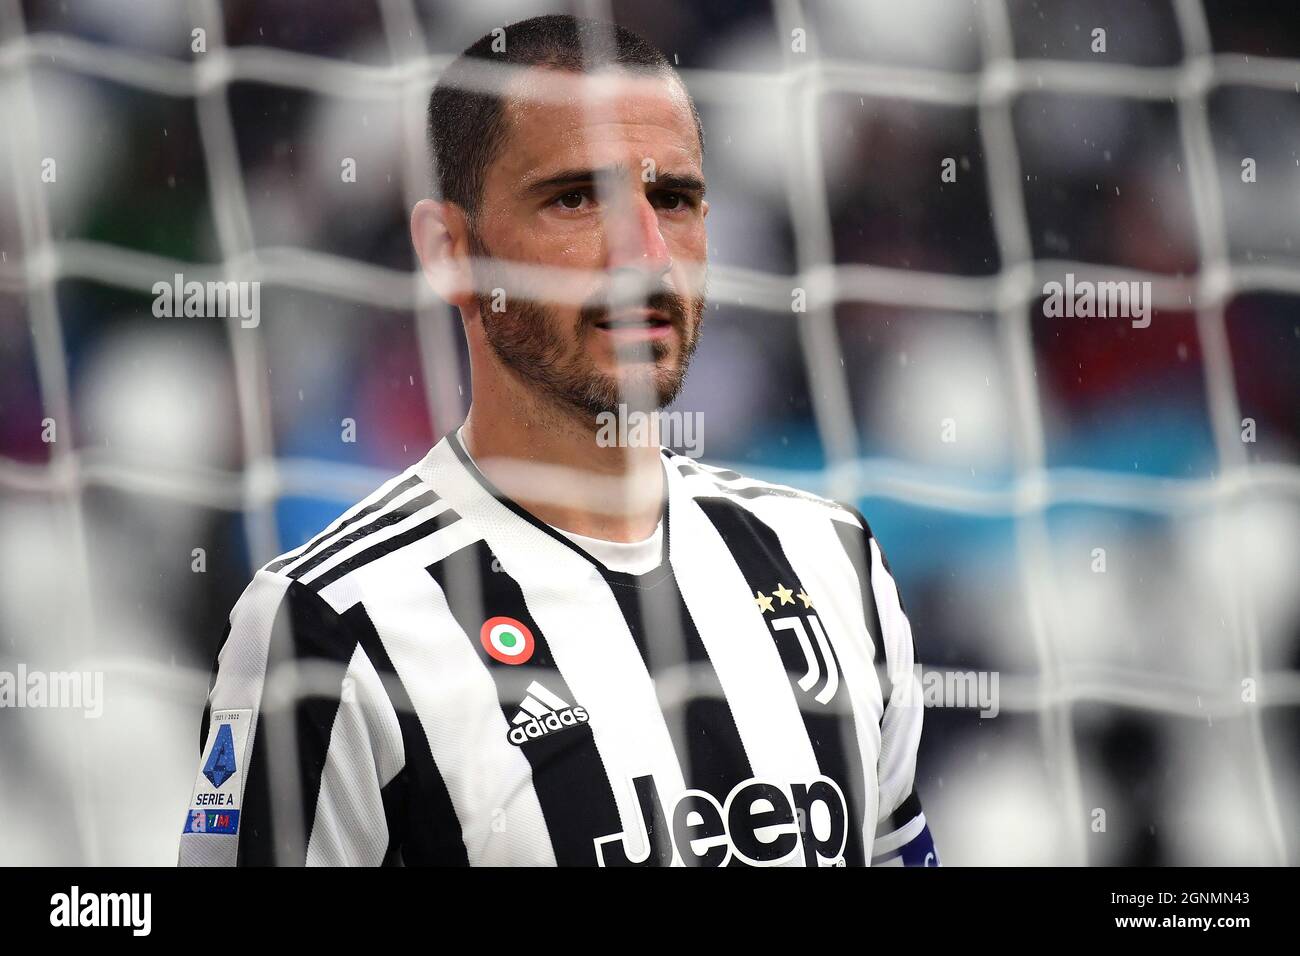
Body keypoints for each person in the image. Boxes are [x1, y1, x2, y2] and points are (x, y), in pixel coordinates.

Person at [178, 13, 937, 867]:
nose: (646, 255)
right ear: (450, 252)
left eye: (674, 200)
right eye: (576, 198)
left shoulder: (832, 562)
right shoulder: (327, 626)